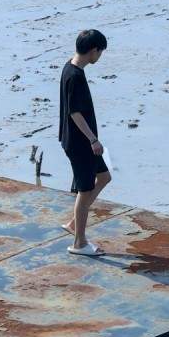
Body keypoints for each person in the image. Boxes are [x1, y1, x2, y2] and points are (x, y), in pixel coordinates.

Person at [59, 27, 111, 256]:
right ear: (93, 51)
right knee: (85, 189)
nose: (99, 56)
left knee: (104, 177)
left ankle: (74, 223)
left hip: (80, 141)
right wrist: (93, 140)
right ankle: (79, 243)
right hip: (80, 143)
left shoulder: (70, 66)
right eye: (100, 52)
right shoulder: (75, 76)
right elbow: (75, 113)